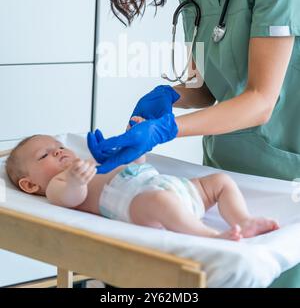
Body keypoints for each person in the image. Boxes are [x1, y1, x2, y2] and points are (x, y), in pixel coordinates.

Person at [91, 0, 300, 286]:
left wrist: (167, 129)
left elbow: (260, 100)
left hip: (285, 179)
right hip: (224, 176)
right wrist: (169, 96)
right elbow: (207, 87)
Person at [5, 133, 278, 240]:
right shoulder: (59, 183)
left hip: (176, 188)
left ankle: (244, 220)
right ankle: (209, 235)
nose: (58, 152)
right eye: (45, 156)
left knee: (220, 182)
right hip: (142, 204)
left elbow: (137, 161)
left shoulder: (91, 160)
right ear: (29, 185)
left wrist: (135, 146)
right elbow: (70, 198)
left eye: (59, 147)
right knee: (161, 202)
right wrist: (76, 180)